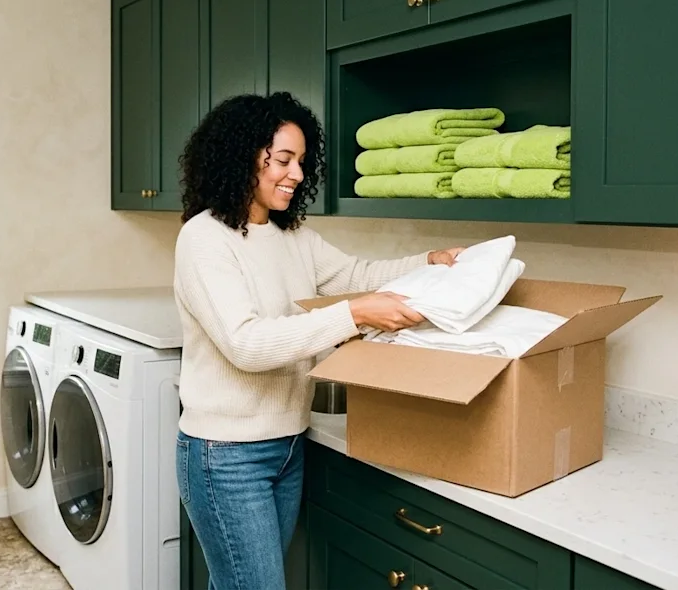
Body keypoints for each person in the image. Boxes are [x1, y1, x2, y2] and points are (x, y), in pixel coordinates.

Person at [172, 91, 467, 590]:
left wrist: (429, 262)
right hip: (225, 456)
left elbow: (357, 275)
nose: (297, 174)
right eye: (283, 159)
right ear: (242, 156)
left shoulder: (295, 238)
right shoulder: (204, 239)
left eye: (302, 162)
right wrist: (354, 315)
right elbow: (247, 345)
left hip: (288, 444)